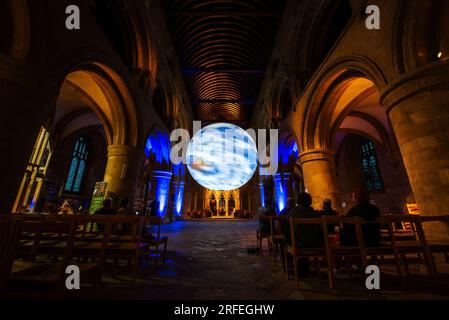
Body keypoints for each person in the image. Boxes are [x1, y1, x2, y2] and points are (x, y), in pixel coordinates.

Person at [285, 193, 324, 277]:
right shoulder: (316, 213)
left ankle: (289, 267)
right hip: (315, 244)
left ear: (298, 201)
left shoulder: (293, 213)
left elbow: (287, 227)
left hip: (299, 244)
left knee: (287, 239)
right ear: (310, 202)